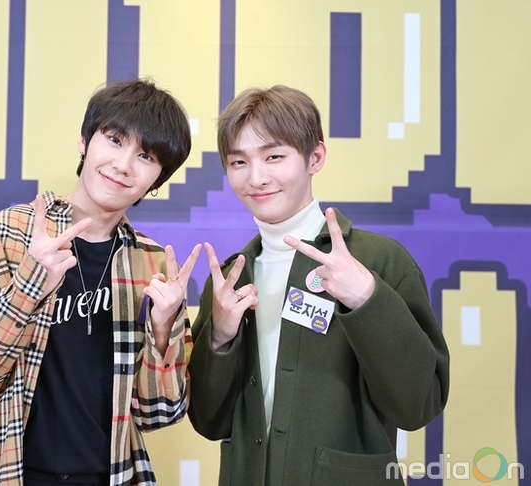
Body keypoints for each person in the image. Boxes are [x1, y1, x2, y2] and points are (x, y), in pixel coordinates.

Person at [0, 79, 201, 486]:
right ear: (84, 142)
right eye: (114, 140)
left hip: (113, 476)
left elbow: (159, 413)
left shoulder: (153, 264)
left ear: (158, 179)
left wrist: (164, 331)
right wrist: (28, 288)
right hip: (14, 475)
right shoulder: (0, 237)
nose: (123, 164)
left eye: (145, 155)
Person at [188, 85, 450, 485]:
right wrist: (220, 338)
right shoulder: (230, 281)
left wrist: (367, 299)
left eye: (274, 157)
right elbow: (209, 423)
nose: (256, 178)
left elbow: (419, 405)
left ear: (315, 158)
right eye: (238, 162)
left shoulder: (378, 261)